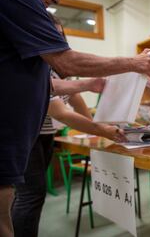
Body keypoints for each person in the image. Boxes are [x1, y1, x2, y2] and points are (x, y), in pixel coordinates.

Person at [0, 0, 150, 236]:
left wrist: (89, 85)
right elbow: (65, 67)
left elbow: (51, 84)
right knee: (15, 209)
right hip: (8, 133)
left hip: (20, 135)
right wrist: (133, 63)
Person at [11, 14, 126, 237]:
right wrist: (102, 130)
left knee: (30, 196)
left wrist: (97, 125)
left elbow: (75, 98)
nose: (57, 40)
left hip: (43, 136)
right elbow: (62, 113)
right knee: (30, 196)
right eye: (52, 35)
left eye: (60, 36)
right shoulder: (38, 67)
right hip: (25, 137)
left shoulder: (56, 69)